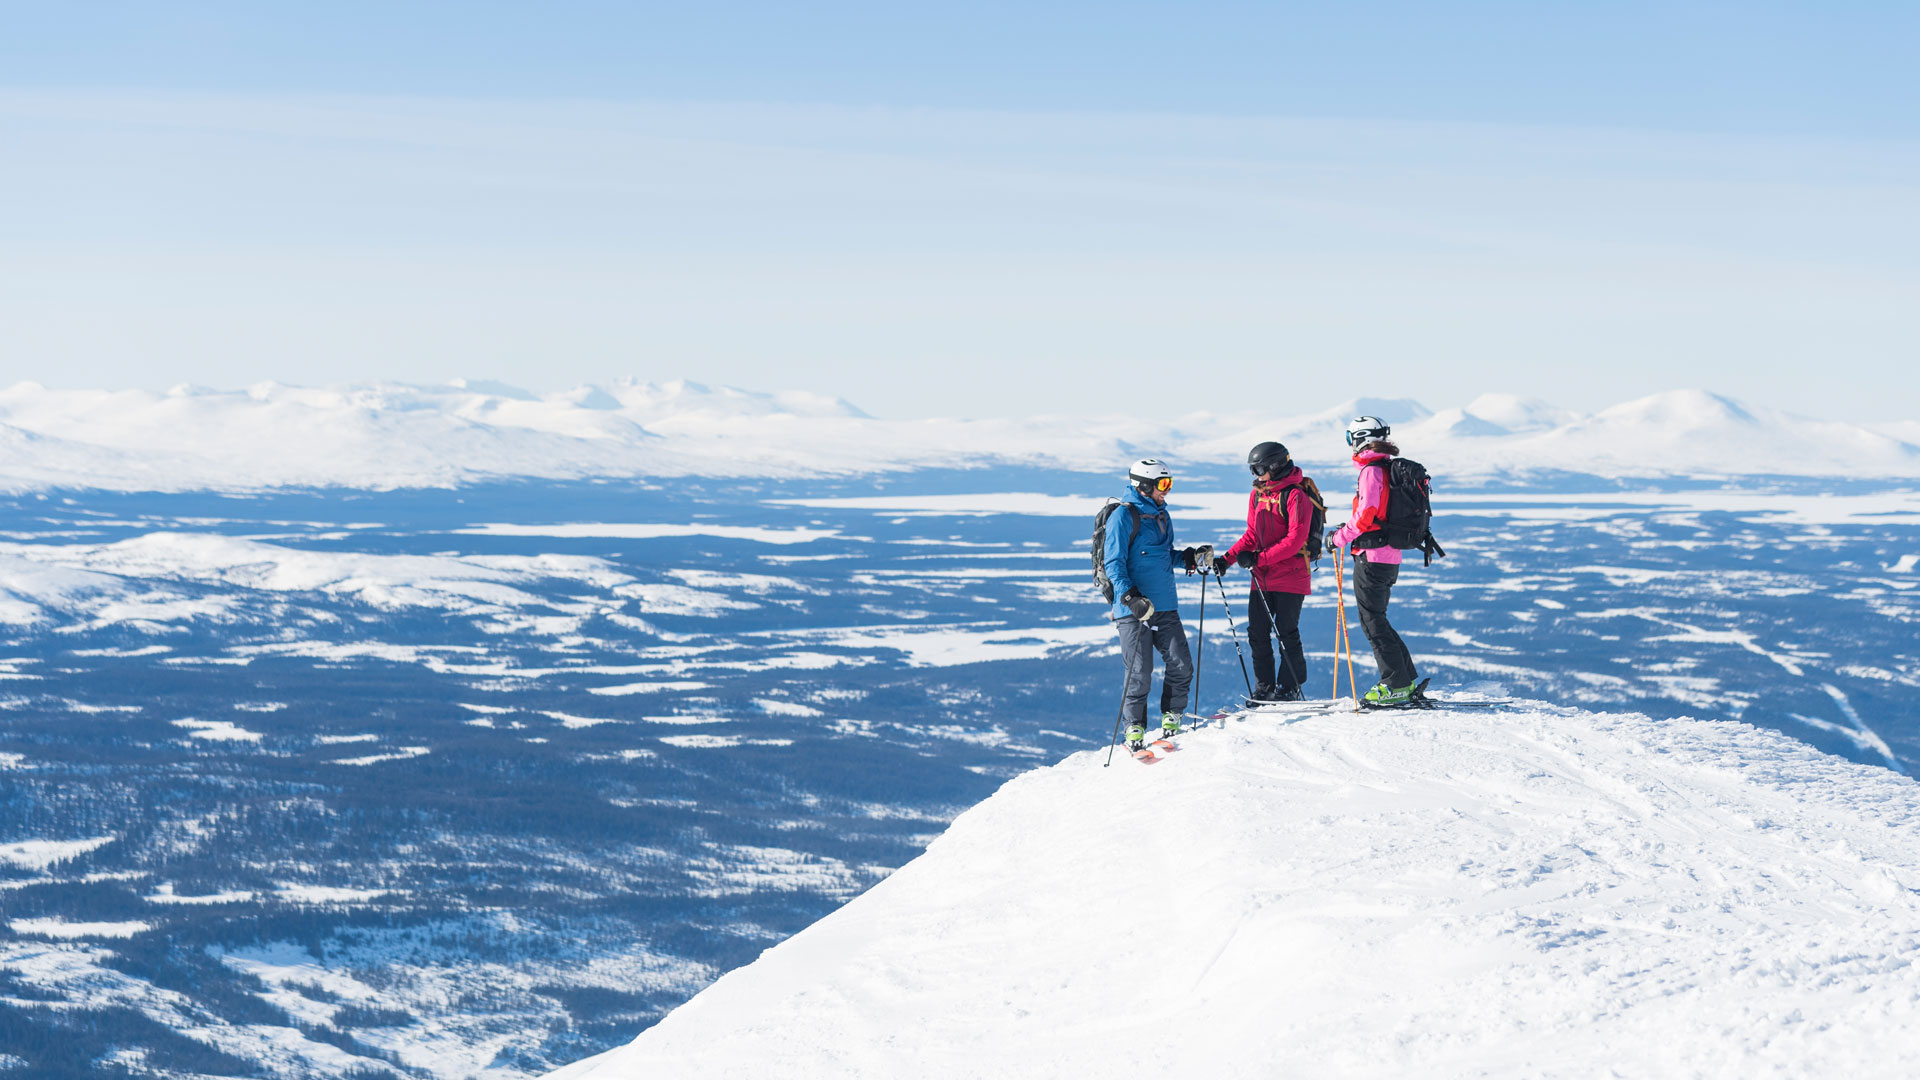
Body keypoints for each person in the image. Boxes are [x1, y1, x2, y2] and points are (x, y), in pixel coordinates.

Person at [1103, 458, 1208, 751]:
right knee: (1139, 672)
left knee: (1181, 663)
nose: (1167, 491)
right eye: (1163, 485)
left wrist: (1186, 557)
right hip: (1134, 609)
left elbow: (1161, 555)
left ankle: (1172, 716)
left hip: (1165, 604)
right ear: (1144, 486)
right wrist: (1130, 598)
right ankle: (1134, 729)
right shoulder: (1124, 517)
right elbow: (1114, 563)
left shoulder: (1162, 516)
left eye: (1169, 484)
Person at [1324, 416, 1421, 705]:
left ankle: (1396, 684)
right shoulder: (1387, 468)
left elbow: (1366, 516)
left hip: (1371, 555)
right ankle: (1406, 678)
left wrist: (1338, 538)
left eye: (1350, 438)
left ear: (1360, 438)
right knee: (1377, 618)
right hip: (1389, 555)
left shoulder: (1371, 471)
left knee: (1371, 622)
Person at [1221, 441, 1316, 702]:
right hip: (1262, 576)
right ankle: (1265, 686)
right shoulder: (1258, 495)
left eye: (1259, 468)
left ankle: (1289, 686)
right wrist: (1226, 560)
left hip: (1291, 576)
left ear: (1275, 466)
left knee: (1286, 631)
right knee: (1258, 633)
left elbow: (1295, 540)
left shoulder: (1296, 496)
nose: (1256, 475)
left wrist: (1258, 559)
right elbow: (1252, 535)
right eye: (1253, 469)